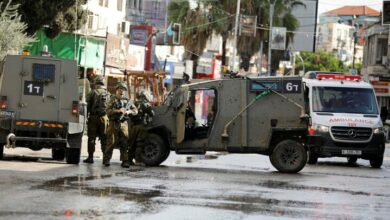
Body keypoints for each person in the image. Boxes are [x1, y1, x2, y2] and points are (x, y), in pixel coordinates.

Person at [103, 82, 138, 168]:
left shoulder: (127, 101)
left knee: (124, 142)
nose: (121, 91)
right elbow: (107, 111)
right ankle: (106, 160)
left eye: (123, 90)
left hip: (123, 124)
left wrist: (128, 111)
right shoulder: (112, 99)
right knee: (111, 142)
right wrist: (118, 111)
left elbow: (135, 111)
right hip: (113, 123)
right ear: (117, 90)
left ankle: (125, 161)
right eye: (120, 90)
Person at [84, 75, 109, 163]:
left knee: (91, 138)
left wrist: (86, 118)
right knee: (104, 139)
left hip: (93, 118)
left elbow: (87, 106)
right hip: (104, 118)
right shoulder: (107, 93)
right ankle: (105, 159)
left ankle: (90, 158)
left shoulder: (92, 92)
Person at [129, 90, 155, 165]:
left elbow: (130, 113)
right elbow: (152, 114)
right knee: (139, 144)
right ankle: (138, 161)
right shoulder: (146, 104)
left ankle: (129, 160)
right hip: (142, 126)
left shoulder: (134, 103)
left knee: (132, 144)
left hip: (133, 126)